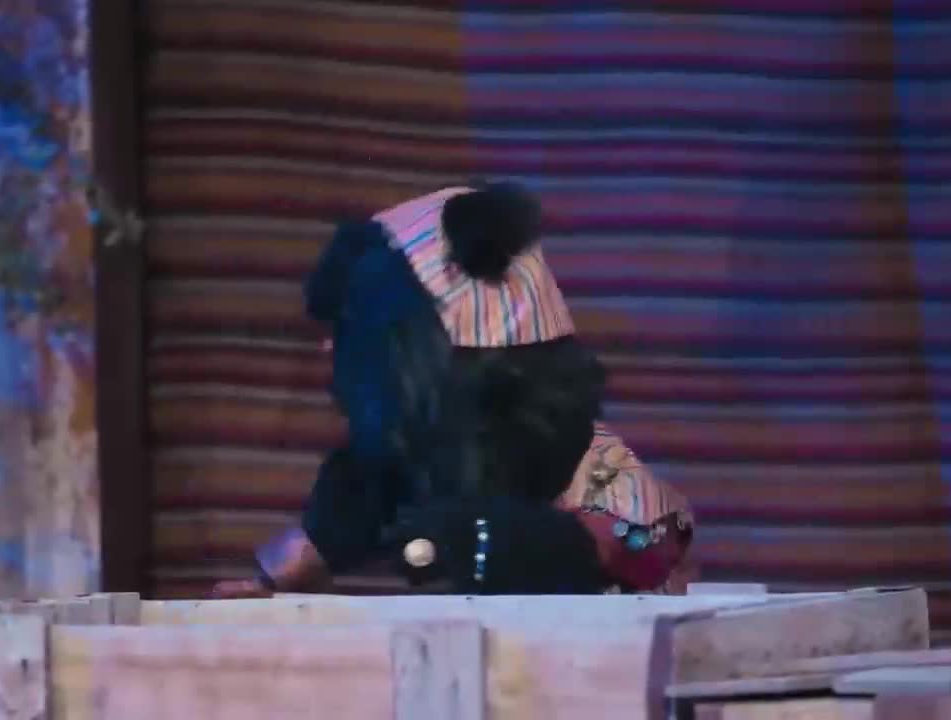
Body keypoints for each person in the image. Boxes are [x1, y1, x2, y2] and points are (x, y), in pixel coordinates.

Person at [211, 183, 693, 598]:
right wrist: (266, 588)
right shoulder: (393, 467)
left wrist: (489, 538)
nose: (330, 348)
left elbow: (649, 546)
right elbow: (312, 548)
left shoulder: (591, 468)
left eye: (354, 329)